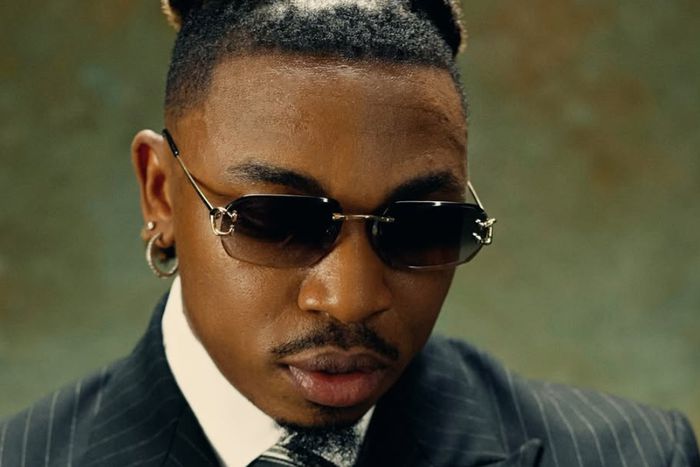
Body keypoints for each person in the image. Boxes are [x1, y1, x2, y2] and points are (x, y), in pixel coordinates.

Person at [0, 0, 698, 466]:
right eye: (277, 221)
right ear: (159, 192)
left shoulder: (636, 455)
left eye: (420, 226)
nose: (352, 298)